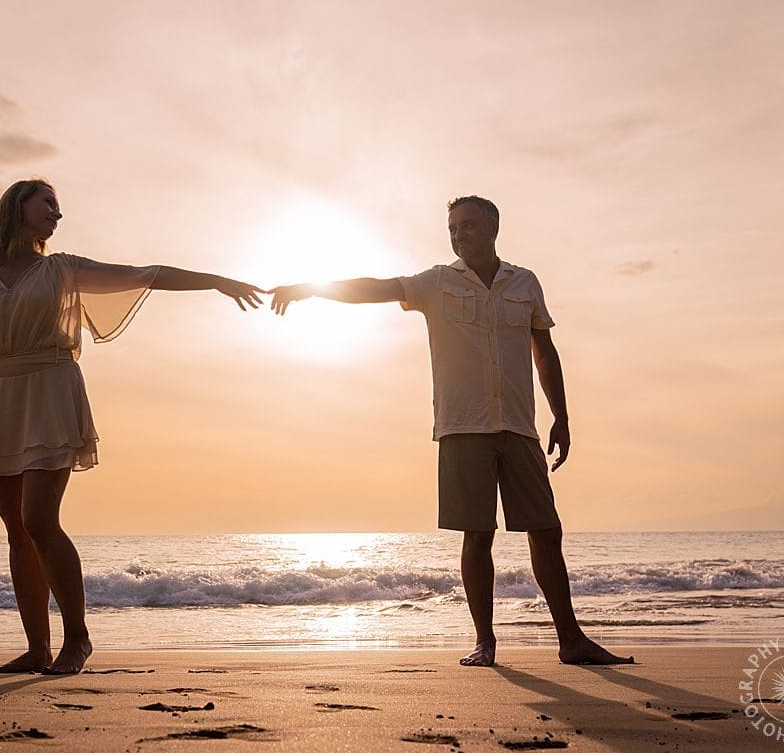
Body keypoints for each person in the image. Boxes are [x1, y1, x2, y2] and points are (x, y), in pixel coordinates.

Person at [269, 195, 632, 666]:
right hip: (463, 427)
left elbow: (544, 350)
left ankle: (571, 640)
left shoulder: (524, 282)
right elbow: (377, 287)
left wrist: (561, 415)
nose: (459, 235)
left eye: (468, 226)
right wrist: (312, 288)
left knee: (546, 531)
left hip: (520, 426)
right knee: (477, 535)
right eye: (453, 228)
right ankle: (485, 642)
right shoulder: (437, 282)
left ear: (493, 227)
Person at [0, 179, 264, 675]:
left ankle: (77, 640)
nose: (57, 215)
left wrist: (215, 279)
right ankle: (37, 649)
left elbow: (144, 274)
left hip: (50, 390)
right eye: (49, 205)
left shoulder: (62, 270)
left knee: (39, 519)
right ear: (17, 206)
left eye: (59, 209)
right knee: (17, 532)